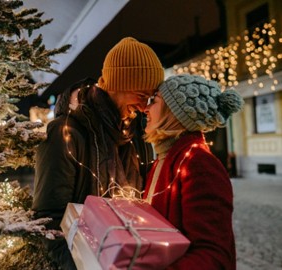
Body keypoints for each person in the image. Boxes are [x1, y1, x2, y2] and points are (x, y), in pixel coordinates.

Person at [32, 37, 164, 269]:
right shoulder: (65, 133)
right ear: (117, 84)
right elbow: (48, 219)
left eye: (150, 98)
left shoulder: (136, 135)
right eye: (141, 95)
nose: (144, 107)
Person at [143, 74, 244, 270]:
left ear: (175, 112)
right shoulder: (166, 158)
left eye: (154, 101)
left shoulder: (199, 164)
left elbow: (214, 255)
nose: (145, 109)